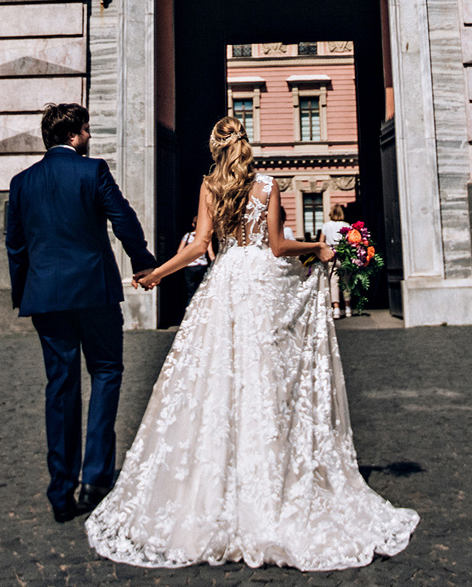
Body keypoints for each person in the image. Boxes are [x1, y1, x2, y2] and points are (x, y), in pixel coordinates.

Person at [85, 116, 418, 570]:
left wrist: (157, 273)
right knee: (265, 382)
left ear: (215, 148)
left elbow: (200, 246)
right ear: (246, 143)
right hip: (260, 285)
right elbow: (278, 246)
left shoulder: (209, 186)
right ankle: (270, 481)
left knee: (213, 383)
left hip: (224, 286)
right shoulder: (267, 185)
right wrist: (317, 249)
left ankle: (212, 487)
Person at [6, 103, 156, 523]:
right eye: (87, 131)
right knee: (106, 372)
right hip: (94, 291)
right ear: (74, 136)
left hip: (45, 299)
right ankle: (94, 478)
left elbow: (15, 246)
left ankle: (60, 489)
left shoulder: (21, 182)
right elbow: (122, 220)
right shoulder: (93, 172)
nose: (89, 138)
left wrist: (26, 294)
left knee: (61, 385)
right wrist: (143, 262)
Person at [320, 203, 351, 318]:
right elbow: (350, 241)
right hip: (343, 254)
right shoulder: (346, 225)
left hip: (331, 254)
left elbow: (321, 241)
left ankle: (336, 308)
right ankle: (348, 307)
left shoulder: (326, 225)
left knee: (333, 281)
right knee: (346, 281)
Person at [176, 215, 214, 304]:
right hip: (202, 265)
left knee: (191, 292)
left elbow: (179, 252)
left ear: (193, 224)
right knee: (202, 290)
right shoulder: (206, 237)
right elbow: (211, 253)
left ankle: (190, 311)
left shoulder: (187, 236)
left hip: (190, 266)